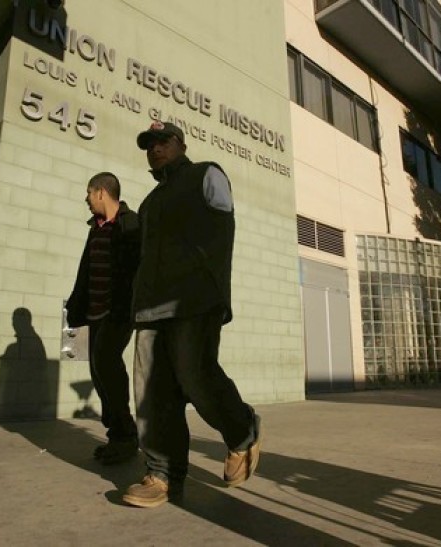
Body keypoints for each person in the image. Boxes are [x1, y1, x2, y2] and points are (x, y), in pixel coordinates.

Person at [122, 121, 262, 508]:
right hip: (151, 307)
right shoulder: (149, 203)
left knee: (196, 377)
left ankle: (242, 430)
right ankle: (161, 473)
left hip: (194, 299)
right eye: (148, 144)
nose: (155, 148)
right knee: (151, 395)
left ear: (181, 144)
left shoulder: (207, 174)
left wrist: (210, 282)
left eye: (163, 141)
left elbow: (224, 229)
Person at [65, 172, 140, 464]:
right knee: (98, 370)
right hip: (94, 313)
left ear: (101, 193)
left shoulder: (131, 223)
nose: (85, 199)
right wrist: (75, 308)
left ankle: (125, 435)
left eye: (88, 193)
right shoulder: (94, 228)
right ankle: (117, 434)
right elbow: (84, 271)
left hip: (118, 312)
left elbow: (136, 269)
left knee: (107, 365)